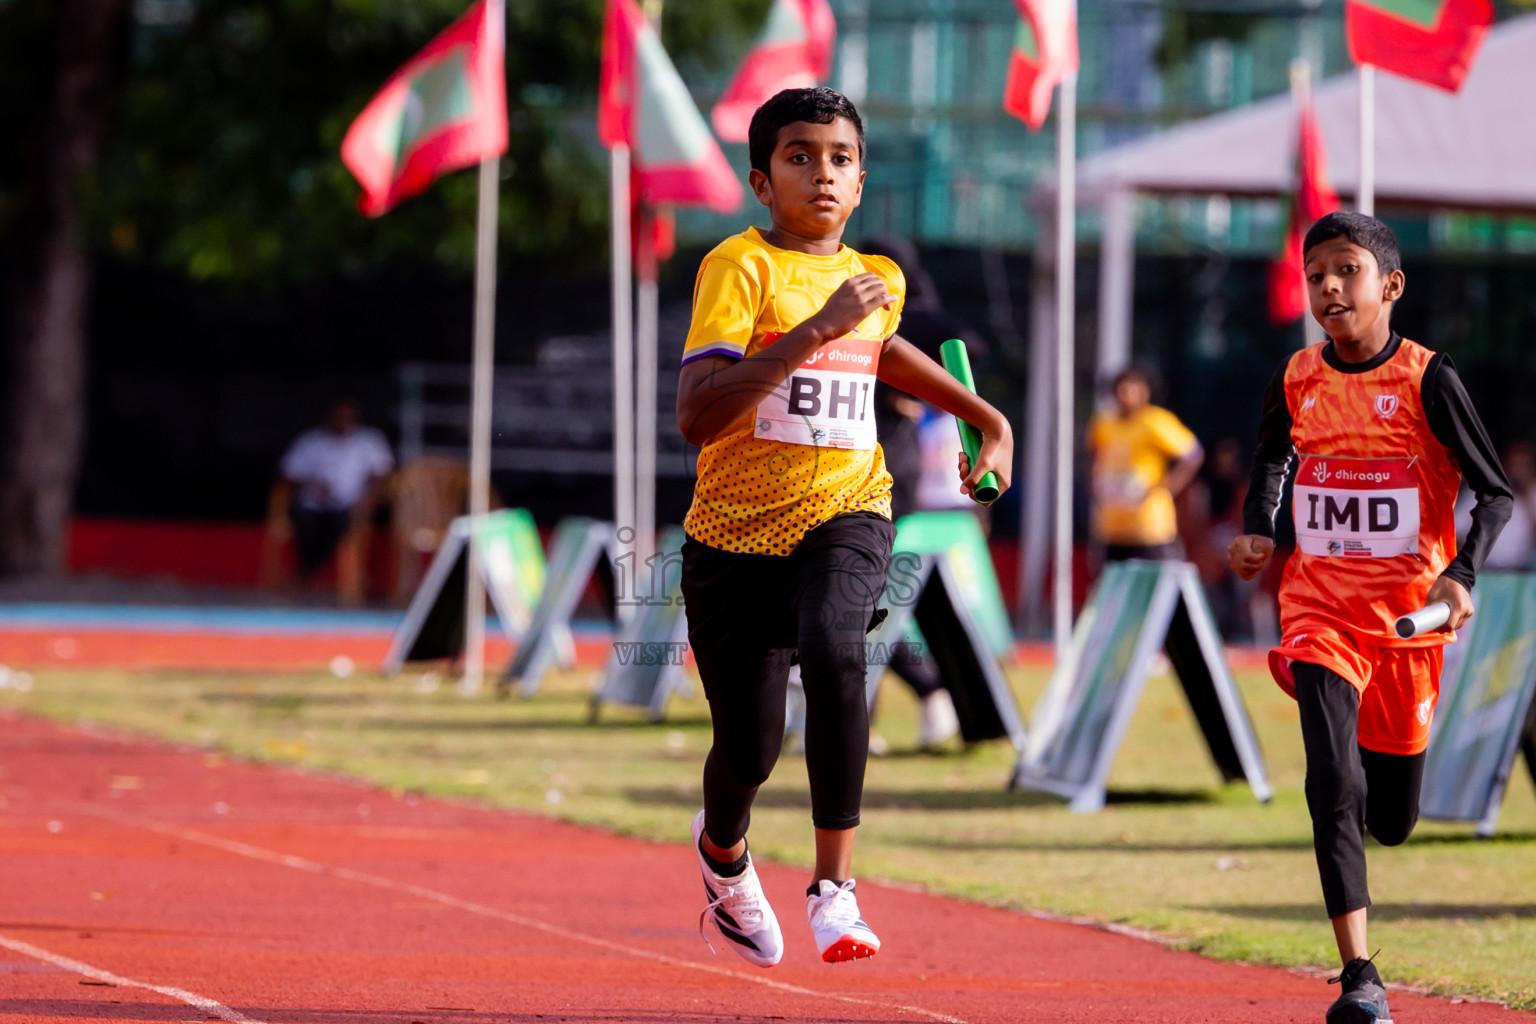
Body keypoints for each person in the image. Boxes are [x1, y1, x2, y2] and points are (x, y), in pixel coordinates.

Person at [674, 87, 1013, 967]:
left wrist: (989, 420)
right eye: (799, 156)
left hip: (847, 509)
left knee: (836, 649)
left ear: (860, 181)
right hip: (731, 536)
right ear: (761, 178)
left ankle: (834, 888)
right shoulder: (738, 268)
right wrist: (811, 331)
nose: (820, 172)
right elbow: (698, 416)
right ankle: (723, 857)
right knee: (745, 752)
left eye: (840, 158)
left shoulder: (880, 279)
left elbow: (884, 348)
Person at [1227, 211, 1510, 1024]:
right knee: (1332, 781)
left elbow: (1496, 493)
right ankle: (1360, 977)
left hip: (1408, 627)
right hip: (1319, 610)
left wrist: (1460, 573)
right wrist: (1259, 524)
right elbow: (1272, 453)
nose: (1326, 287)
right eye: (1316, 273)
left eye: (1344, 271)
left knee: (1389, 816)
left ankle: (1375, 806)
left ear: (1389, 286)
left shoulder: (1427, 379)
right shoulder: (1298, 376)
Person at [1087, 366, 1203, 562]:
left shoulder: (1155, 422)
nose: (1126, 397)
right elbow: (1095, 456)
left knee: (1155, 587)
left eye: (1132, 391)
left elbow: (1193, 454)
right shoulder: (1104, 423)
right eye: (1122, 391)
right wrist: (1095, 485)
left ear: (1144, 393)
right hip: (1111, 527)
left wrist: (1169, 485)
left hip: (1149, 528)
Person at [277, 397, 394, 582]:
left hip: (351, 506)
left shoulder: (369, 441)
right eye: (338, 416)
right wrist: (311, 484)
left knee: (343, 524)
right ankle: (307, 573)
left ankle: (348, 577)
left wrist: (370, 498)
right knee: (305, 521)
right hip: (314, 505)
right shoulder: (311, 440)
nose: (342, 420)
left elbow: (381, 475)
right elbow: (289, 474)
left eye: (347, 416)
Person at [1456, 439, 1535, 571]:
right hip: (1482, 568)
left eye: (1523, 465)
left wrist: (1526, 494)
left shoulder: (1532, 493)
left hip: (1521, 572)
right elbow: (1454, 528)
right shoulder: (1483, 488)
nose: (1518, 471)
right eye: (1514, 464)